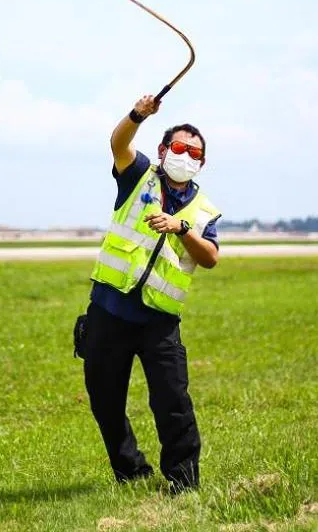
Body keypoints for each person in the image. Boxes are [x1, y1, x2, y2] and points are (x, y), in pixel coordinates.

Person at [81, 93, 222, 493]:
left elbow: (210, 258)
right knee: (104, 400)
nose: (186, 156)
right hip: (109, 311)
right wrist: (138, 114)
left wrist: (181, 229)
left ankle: (183, 483)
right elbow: (118, 144)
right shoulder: (138, 174)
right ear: (163, 150)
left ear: (202, 163)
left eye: (195, 153)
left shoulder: (204, 210)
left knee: (172, 404)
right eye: (179, 147)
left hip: (159, 321)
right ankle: (131, 471)